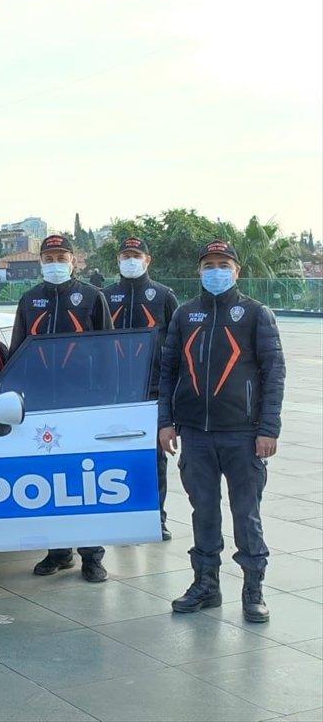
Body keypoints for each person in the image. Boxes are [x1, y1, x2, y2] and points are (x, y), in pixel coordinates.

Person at [158, 239, 286, 623]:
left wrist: (268, 428)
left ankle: (253, 589)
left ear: (236, 270)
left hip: (243, 435)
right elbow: (168, 372)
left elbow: (274, 374)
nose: (216, 270)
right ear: (199, 271)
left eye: (223, 263)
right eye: (209, 264)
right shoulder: (185, 315)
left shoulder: (255, 314)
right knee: (204, 512)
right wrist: (166, 421)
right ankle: (206, 585)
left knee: (246, 514)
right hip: (195, 434)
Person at [9, 234, 112, 583]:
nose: (55, 263)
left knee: (84, 480)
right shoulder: (29, 299)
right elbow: (17, 353)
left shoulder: (92, 297)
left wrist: (105, 400)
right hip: (41, 408)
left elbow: (106, 351)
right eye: (49, 257)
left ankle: (92, 556)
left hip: (82, 405)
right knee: (48, 481)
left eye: (61, 256)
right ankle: (58, 552)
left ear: (73, 260)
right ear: (41, 261)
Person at [103, 237, 179, 540]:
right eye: (125, 255)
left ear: (148, 260)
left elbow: (177, 343)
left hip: (152, 392)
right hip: (115, 394)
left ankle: (156, 517)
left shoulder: (163, 296)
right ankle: (121, 517)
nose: (130, 260)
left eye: (136, 255)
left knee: (154, 458)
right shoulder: (105, 296)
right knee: (116, 459)